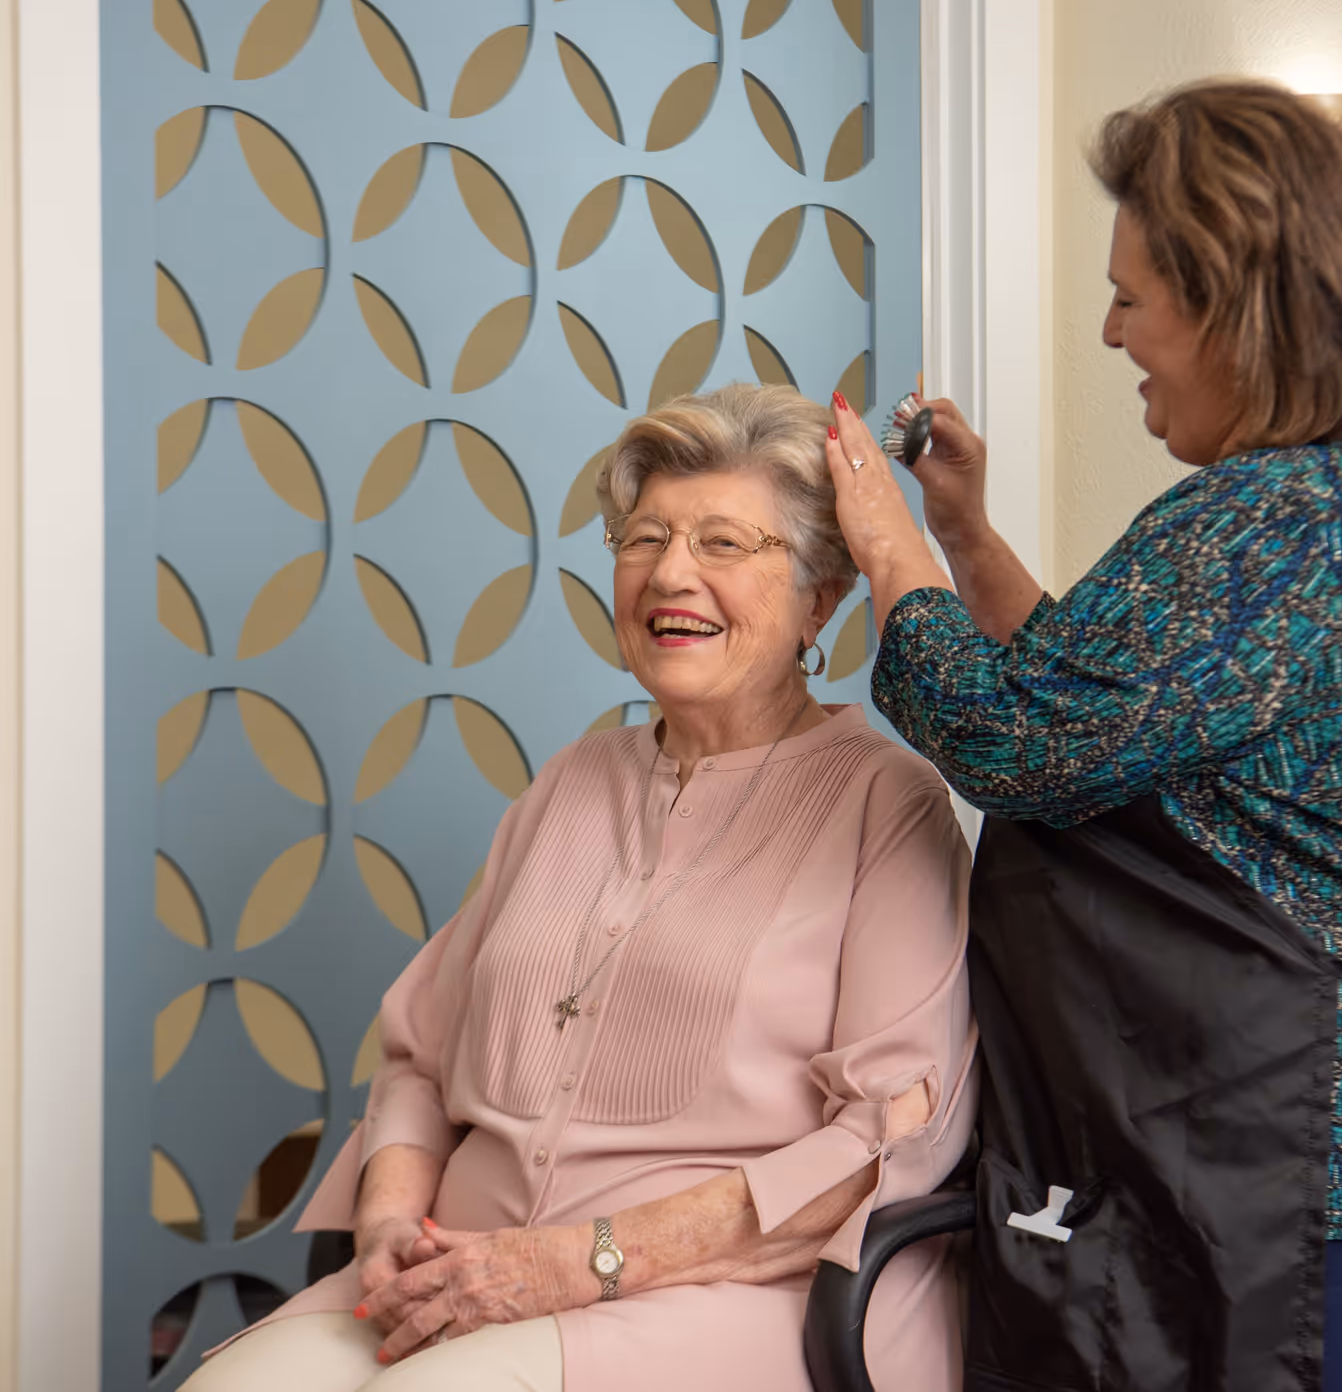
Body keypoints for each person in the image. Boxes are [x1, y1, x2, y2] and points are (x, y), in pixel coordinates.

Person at [824, 79, 1342, 1392]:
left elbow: (1020, 742)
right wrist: (965, 541)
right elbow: (1113, 707)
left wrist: (886, 554)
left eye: (1130, 295)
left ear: (1231, 302)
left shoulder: (1281, 516)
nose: (1113, 334)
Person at [186, 383, 977, 1392]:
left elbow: (887, 1136)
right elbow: (421, 1061)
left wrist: (578, 1260)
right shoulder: (571, 781)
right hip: (462, 1264)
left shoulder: (885, 801)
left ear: (818, 596)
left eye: (724, 544)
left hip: (720, 1301)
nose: (669, 574)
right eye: (644, 538)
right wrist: (386, 1226)